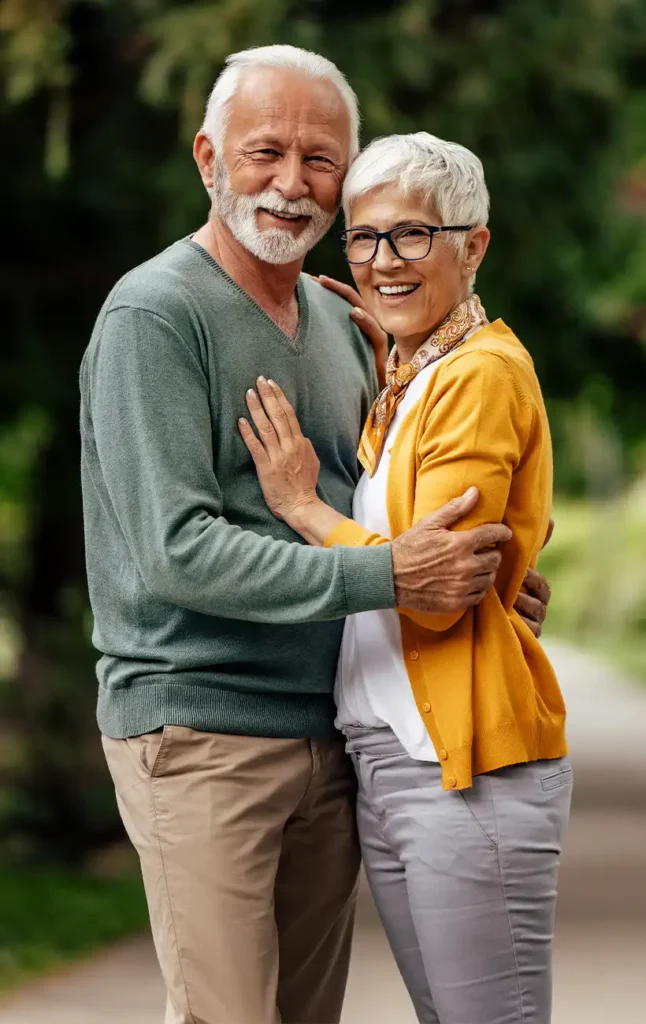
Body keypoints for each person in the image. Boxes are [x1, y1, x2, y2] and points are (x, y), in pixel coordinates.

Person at [80, 45, 550, 1024]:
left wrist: (481, 583)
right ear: (208, 157)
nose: (292, 183)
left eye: (320, 159)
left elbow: (379, 513)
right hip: (201, 732)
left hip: (328, 737)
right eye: (264, 153)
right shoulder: (155, 315)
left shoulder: (342, 326)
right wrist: (389, 576)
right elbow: (175, 549)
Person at [239, 131, 570, 1024]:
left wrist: (305, 508)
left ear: (475, 246)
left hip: (465, 772)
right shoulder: (412, 380)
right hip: (393, 762)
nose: (383, 261)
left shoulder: (480, 375)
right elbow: (418, 547)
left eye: (413, 236)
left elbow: (433, 598)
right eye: (364, 236)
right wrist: (383, 345)